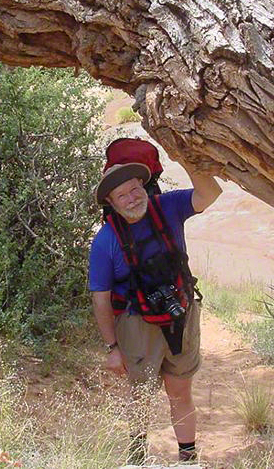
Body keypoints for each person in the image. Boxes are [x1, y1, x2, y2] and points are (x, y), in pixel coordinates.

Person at [88, 159, 222, 464]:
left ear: (143, 186)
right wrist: (112, 348)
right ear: (111, 203)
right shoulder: (106, 241)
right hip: (136, 324)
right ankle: (137, 459)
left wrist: (188, 158)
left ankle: (188, 459)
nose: (132, 198)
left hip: (181, 315)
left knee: (180, 390)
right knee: (141, 396)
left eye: (135, 189)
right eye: (122, 195)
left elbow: (210, 194)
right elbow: (100, 299)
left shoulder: (168, 206)